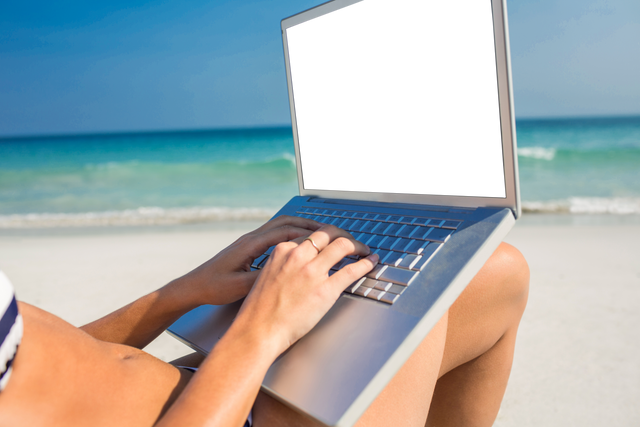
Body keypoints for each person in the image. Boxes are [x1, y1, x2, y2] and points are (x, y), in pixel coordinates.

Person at [0, 215, 529, 426]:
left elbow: (27, 360)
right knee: (489, 274)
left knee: (489, 271)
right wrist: (263, 330)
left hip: (207, 387)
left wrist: (181, 293)